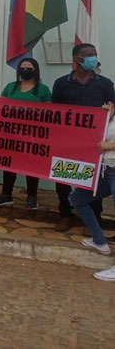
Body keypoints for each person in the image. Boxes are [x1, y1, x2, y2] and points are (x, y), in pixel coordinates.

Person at [52, 43, 115, 232]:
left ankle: (93, 218)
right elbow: (55, 112)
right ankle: (65, 214)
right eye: (88, 55)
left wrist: (110, 112)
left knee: (92, 179)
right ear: (76, 59)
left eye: (95, 55)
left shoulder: (105, 83)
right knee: (61, 176)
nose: (92, 58)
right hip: (67, 140)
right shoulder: (61, 83)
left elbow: (113, 107)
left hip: (94, 142)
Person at [0, 58, 51, 210]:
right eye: (22, 68)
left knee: (31, 166)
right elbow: (0, 108)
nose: (25, 70)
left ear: (35, 70)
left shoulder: (43, 90)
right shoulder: (10, 87)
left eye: (29, 68)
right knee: (9, 164)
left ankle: (32, 196)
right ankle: (6, 194)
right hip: (11, 134)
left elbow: (49, 114)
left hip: (33, 135)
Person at [72, 103, 115, 280]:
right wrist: (105, 116)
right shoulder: (109, 116)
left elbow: (106, 144)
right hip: (106, 170)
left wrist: (110, 146)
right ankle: (99, 241)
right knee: (78, 198)